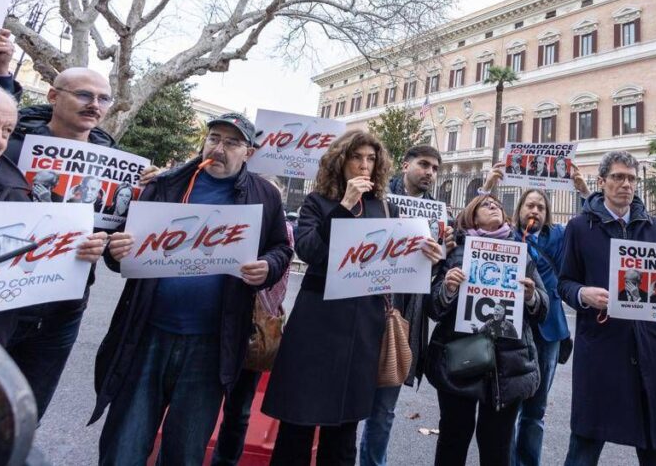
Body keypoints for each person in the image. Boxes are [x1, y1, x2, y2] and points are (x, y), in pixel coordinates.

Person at [92, 113, 293, 466]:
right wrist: (115, 250)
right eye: (214, 138)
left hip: (212, 342)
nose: (220, 148)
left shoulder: (264, 196)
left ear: (248, 152)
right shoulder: (164, 185)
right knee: (124, 445)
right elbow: (120, 250)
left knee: (185, 451)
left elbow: (281, 248)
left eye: (232, 143)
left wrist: (268, 268)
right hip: (147, 334)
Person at [262, 131, 442, 465]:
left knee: (344, 432)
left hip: (363, 327)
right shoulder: (317, 202)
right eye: (356, 157)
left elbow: (397, 266)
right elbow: (310, 251)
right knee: (298, 425)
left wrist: (426, 256)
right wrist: (344, 207)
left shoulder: (386, 207)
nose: (364, 165)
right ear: (340, 161)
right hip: (317, 325)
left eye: (371, 159)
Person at [0, 80, 113, 440]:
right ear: (52, 96)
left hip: (16, 319)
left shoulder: (7, 185)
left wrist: (98, 244)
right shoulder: (16, 156)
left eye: (5, 130)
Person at [0, 62, 135, 421]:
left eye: (104, 98)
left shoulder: (116, 166)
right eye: (85, 94)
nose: (95, 104)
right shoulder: (7, 149)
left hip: (64, 308)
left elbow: (116, 255)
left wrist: (113, 246)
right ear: (54, 96)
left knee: (24, 419)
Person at [558, 150, 656, 465]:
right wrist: (583, 294)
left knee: (655, 444)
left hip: (654, 350)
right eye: (618, 177)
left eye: (631, 178)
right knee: (585, 445)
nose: (626, 185)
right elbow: (564, 282)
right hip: (603, 348)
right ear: (602, 182)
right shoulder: (579, 228)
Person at [426, 193, 548, 466]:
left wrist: (531, 296)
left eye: (497, 204)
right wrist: (447, 288)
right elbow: (432, 308)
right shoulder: (455, 250)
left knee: (497, 445)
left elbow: (543, 309)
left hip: (510, 367)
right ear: (471, 215)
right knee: (453, 439)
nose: (493, 205)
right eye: (485, 204)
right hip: (458, 361)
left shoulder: (521, 251)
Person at [481, 164, 588, 466]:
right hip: (511, 331)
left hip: (549, 331)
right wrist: (487, 188)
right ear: (519, 209)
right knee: (510, 408)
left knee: (535, 411)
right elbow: (471, 221)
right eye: (530, 204)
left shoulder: (560, 235)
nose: (536, 210)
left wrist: (582, 190)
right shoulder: (506, 234)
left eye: (541, 206)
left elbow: (588, 225)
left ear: (547, 212)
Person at [359, 143, 454, 466]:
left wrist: (441, 257)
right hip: (364, 310)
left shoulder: (441, 215)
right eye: (424, 165)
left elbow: (435, 277)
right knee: (346, 402)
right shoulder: (374, 198)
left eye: (435, 168)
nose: (430, 173)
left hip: (405, 318)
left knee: (384, 410)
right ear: (405, 165)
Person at [210, 175, 295, 466]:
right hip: (215, 320)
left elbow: (278, 284)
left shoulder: (282, 233)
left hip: (253, 325)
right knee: (204, 401)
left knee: (239, 409)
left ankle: (225, 461)